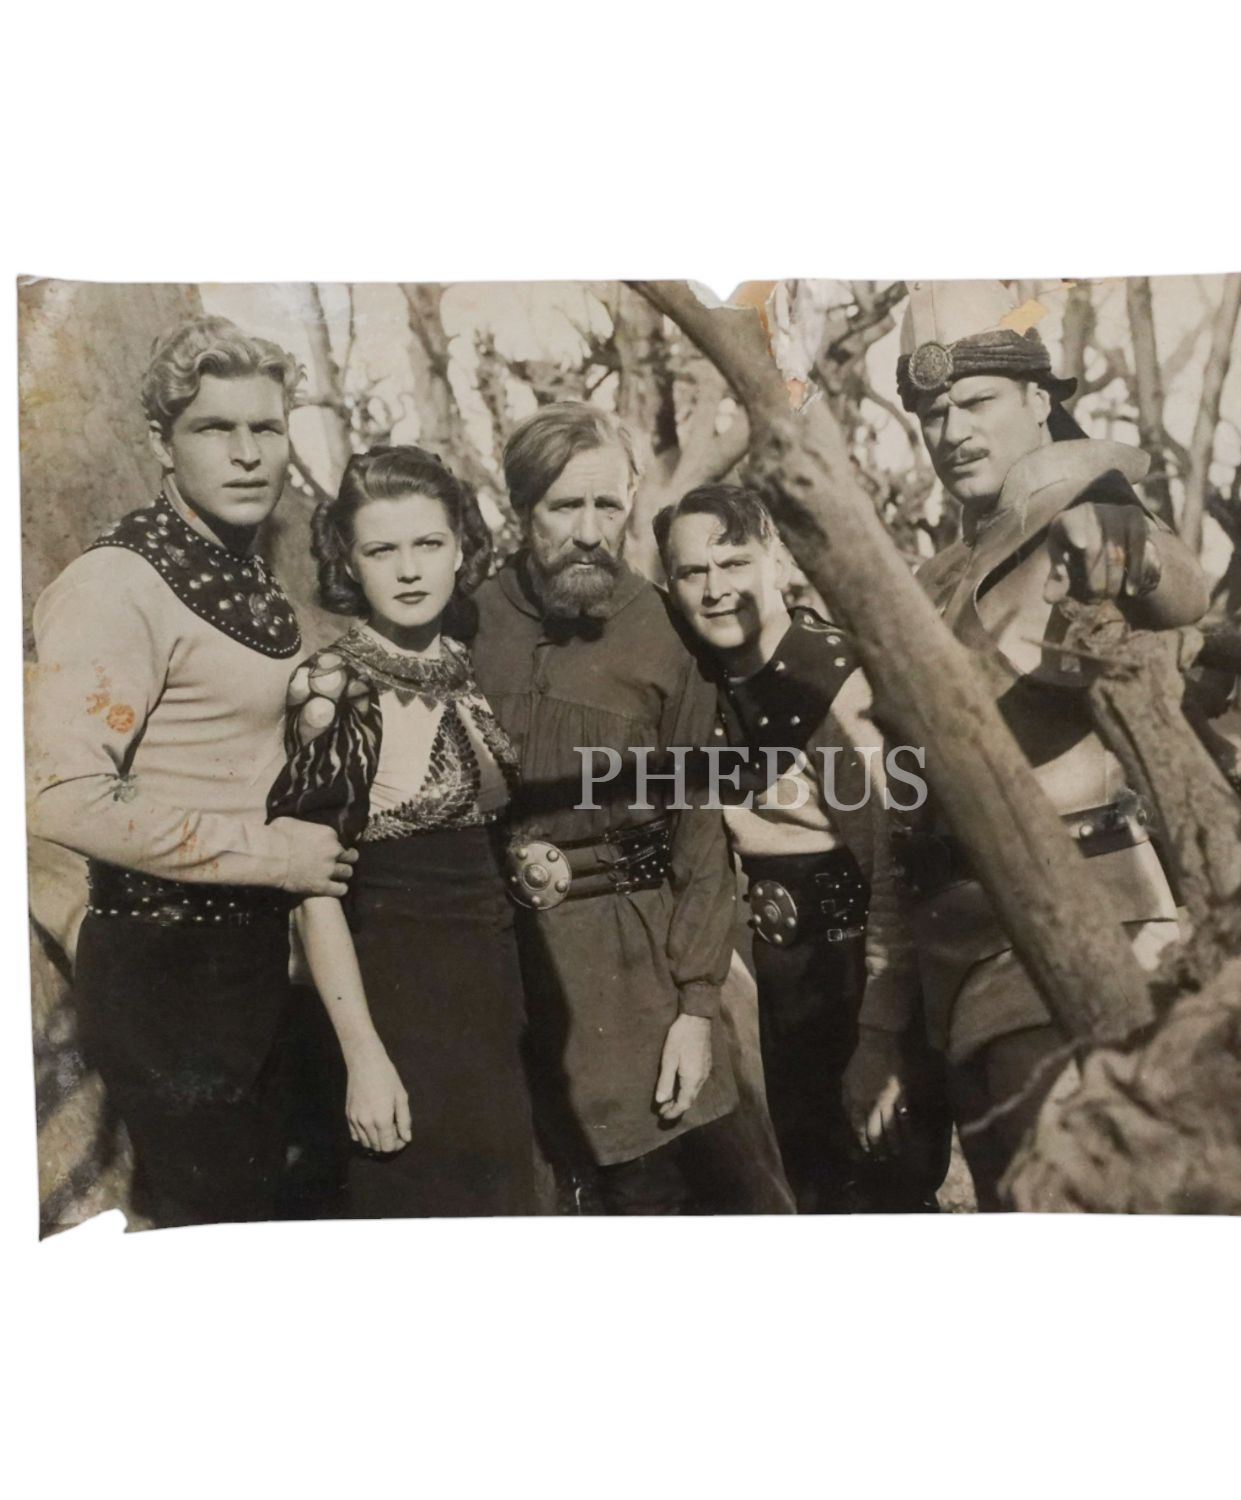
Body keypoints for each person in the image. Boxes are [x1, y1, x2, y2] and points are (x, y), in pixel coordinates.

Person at [854, 281, 1211, 1209]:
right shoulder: (932, 581)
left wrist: (1124, 535)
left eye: (976, 402)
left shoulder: (1082, 519)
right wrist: (882, 1026)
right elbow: (904, 811)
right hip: (957, 972)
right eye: (932, 414)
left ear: (1039, 399)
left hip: (1083, 943)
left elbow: (1180, 588)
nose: (952, 432)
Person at [27, 316, 356, 1228]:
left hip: (255, 962)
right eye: (215, 428)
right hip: (166, 969)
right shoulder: (114, 584)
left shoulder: (243, 574)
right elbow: (63, 799)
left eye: (267, 428)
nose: (248, 454)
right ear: (160, 444)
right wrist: (274, 856)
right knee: (215, 1236)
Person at [474, 403, 786, 1214]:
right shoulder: (469, 623)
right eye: (564, 506)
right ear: (520, 508)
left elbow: (700, 835)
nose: (589, 532)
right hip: (503, 971)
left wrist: (696, 1009)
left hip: (636, 972)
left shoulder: (665, 634)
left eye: (607, 505)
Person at [655, 484, 948, 1212]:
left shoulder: (837, 683)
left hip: (854, 981)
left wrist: (880, 1037)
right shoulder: (702, 679)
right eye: (692, 572)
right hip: (774, 982)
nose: (715, 589)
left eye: (734, 562)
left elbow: (894, 873)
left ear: (779, 560)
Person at [266, 446, 537, 1218]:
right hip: (397, 1006)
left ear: (461, 547)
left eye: (429, 543)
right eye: (382, 550)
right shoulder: (332, 684)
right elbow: (312, 891)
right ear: (349, 563)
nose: (410, 570)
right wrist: (364, 1058)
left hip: (493, 997)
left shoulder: (465, 662)